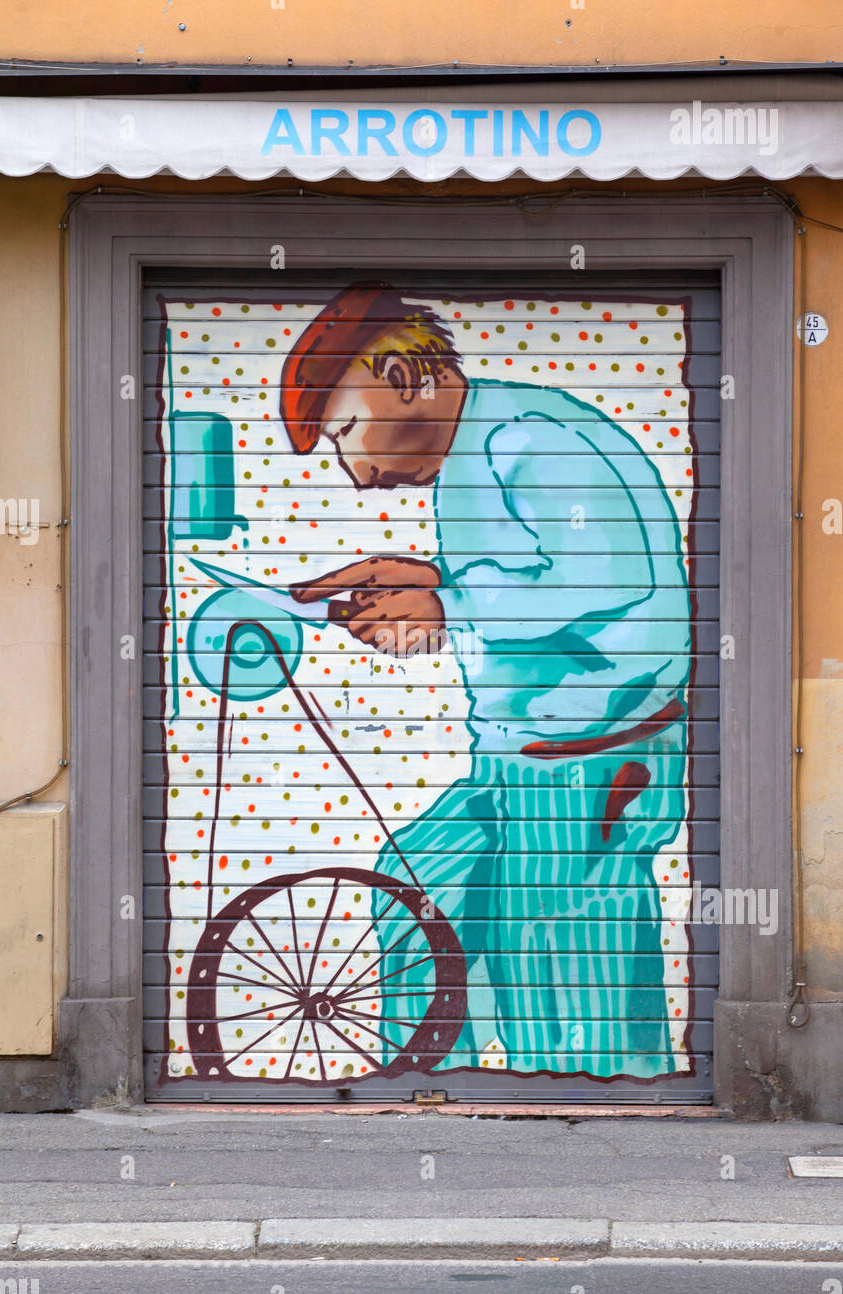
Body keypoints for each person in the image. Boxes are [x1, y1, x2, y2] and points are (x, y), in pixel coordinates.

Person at [282, 282, 691, 1079]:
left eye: (346, 431)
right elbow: (530, 573)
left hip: (590, 753)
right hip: (516, 758)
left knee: (554, 940)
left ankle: (593, 1107)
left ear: (402, 378)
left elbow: (604, 576)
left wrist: (447, 599)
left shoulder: (527, 439)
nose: (356, 471)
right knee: (417, 886)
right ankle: (437, 1081)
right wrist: (426, 578)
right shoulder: (477, 450)